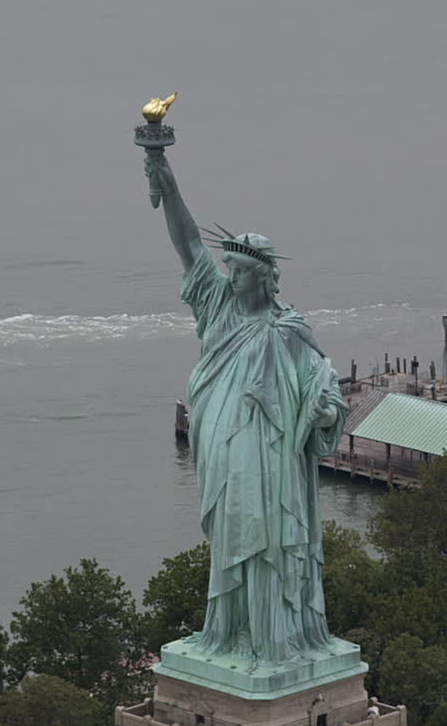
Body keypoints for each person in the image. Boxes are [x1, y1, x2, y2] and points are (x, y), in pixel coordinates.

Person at [144, 148, 348, 666]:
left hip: (270, 453)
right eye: (228, 269)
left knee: (270, 536)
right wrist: (166, 177)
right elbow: (189, 244)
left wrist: (326, 413)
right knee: (233, 531)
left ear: (262, 275)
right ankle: (230, 631)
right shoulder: (217, 306)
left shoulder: (290, 329)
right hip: (222, 443)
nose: (230, 277)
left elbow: (323, 386)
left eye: (238, 271)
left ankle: (272, 637)